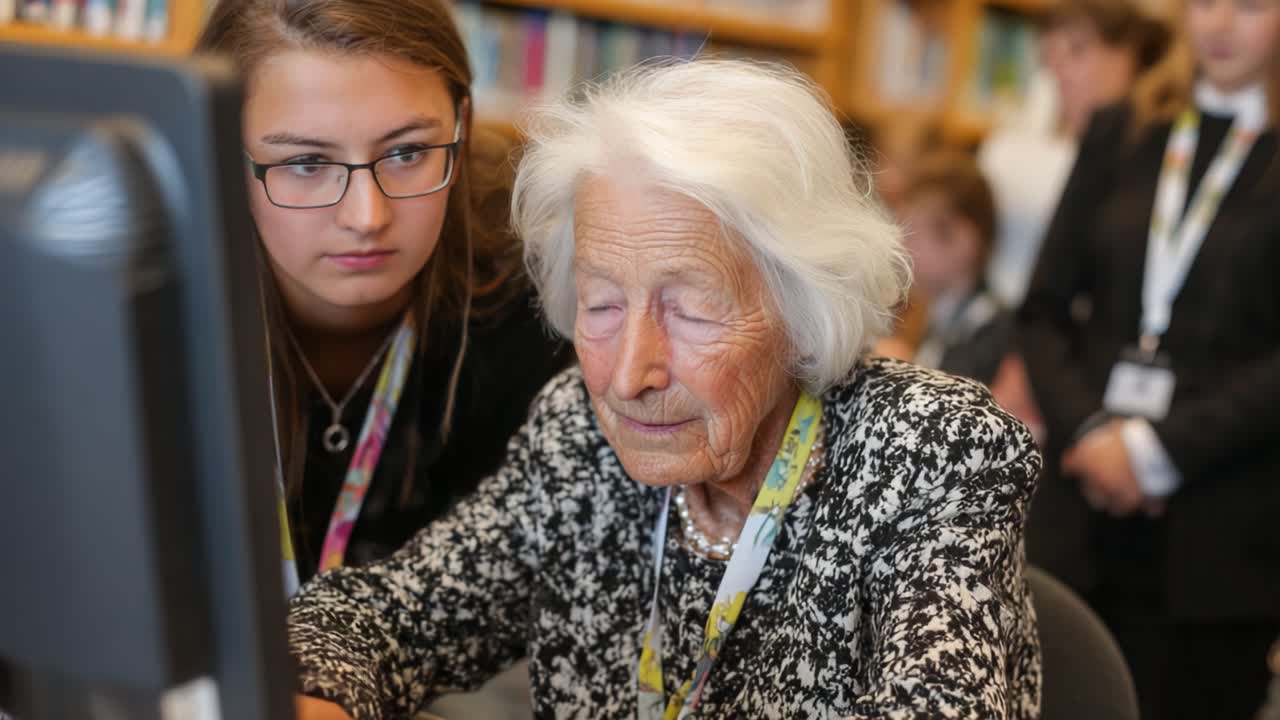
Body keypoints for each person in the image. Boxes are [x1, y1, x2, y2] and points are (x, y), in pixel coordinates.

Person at [288, 59, 1042, 720]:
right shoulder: (578, 436)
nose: (627, 375)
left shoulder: (930, 453)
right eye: (603, 305)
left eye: (689, 308)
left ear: (804, 309)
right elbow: (388, 615)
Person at [197, 0, 572, 587]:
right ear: (216, 150)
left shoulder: (540, 300)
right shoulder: (146, 306)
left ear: (462, 126)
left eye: (407, 153)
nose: (366, 217)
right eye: (305, 162)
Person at [1018, 0, 1280, 717]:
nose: (1219, 24)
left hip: (1222, 525)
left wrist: (1158, 449)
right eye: (1202, 2)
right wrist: (1097, 432)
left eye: (1250, 5)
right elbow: (1042, 310)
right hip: (1085, 506)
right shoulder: (1122, 132)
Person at [980, 0, 1170, 308]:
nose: (1061, 73)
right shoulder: (1018, 146)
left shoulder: (1157, 157)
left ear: (1130, 54)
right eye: (1050, 59)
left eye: (1078, 51)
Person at [897, 150, 1013, 386]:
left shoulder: (993, 332)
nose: (903, 245)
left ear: (964, 241)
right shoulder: (931, 316)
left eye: (915, 232)